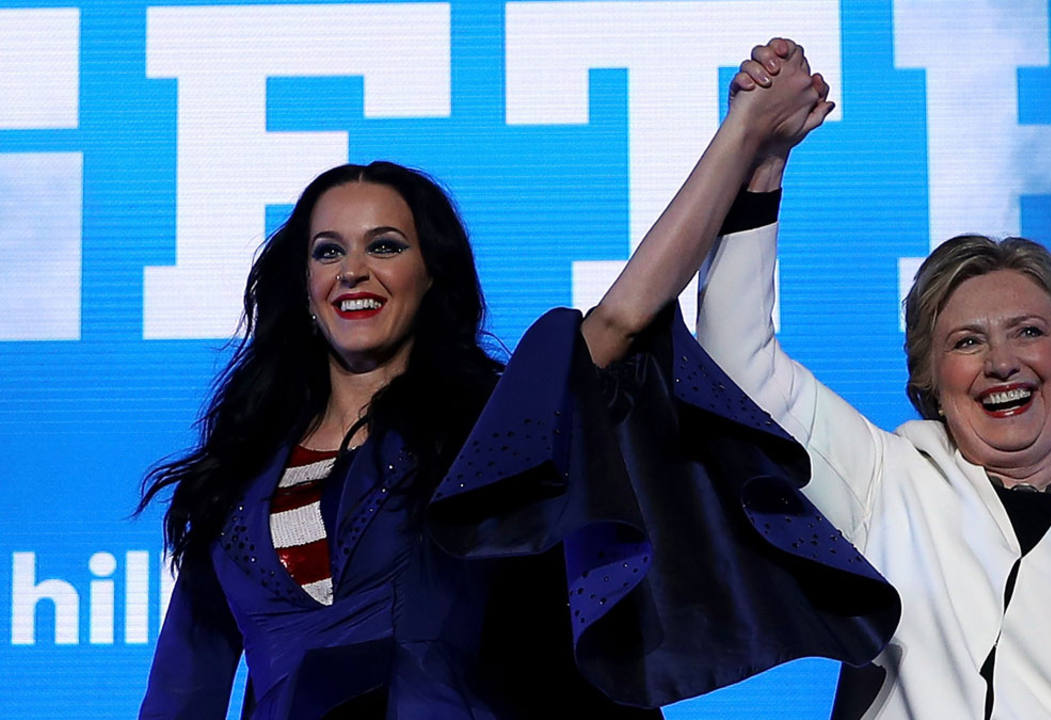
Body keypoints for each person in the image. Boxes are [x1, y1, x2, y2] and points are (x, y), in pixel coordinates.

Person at [137, 41, 899, 719]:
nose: (354, 270)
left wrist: (745, 139)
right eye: (328, 251)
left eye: (386, 245)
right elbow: (181, 691)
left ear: (431, 276)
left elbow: (623, 316)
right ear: (304, 287)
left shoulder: (487, 427)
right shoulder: (230, 483)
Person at [689, 39, 1051, 719]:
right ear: (930, 381)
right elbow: (736, 365)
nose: (1001, 362)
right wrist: (762, 160)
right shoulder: (886, 483)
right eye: (967, 342)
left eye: (1028, 332)